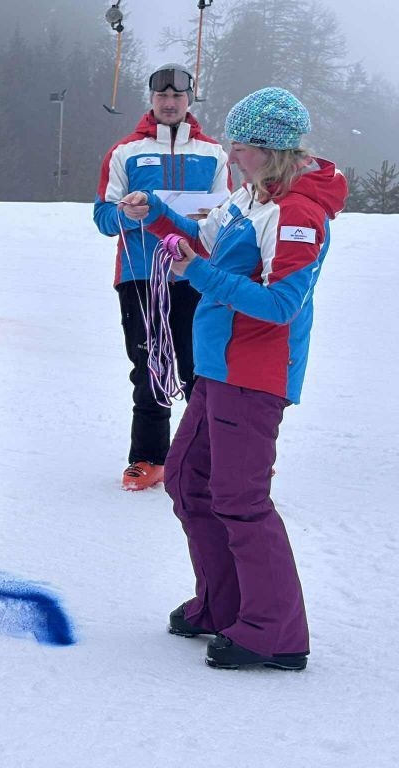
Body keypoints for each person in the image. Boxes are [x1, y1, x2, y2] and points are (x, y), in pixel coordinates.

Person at [119, 87, 347, 670]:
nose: (232, 156)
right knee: (189, 484)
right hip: (216, 367)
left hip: (256, 373)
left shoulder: (297, 212)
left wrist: (200, 275)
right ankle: (223, 606)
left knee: (241, 500)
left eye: (241, 147)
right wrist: (160, 218)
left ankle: (275, 632)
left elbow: (280, 305)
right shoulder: (251, 196)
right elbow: (209, 245)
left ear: (269, 150)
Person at [94, 64, 231, 491]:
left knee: (199, 365)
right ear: (151, 100)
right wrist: (124, 213)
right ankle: (149, 457)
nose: (169, 104)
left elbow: (226, 218)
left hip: (194, 273)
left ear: (189, 100)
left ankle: (209, 455)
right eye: (161, 97)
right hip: (139, 274)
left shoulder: (213, 154)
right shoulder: (125, 152)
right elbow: (101, 216)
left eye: (177, 97)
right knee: (149, 364)